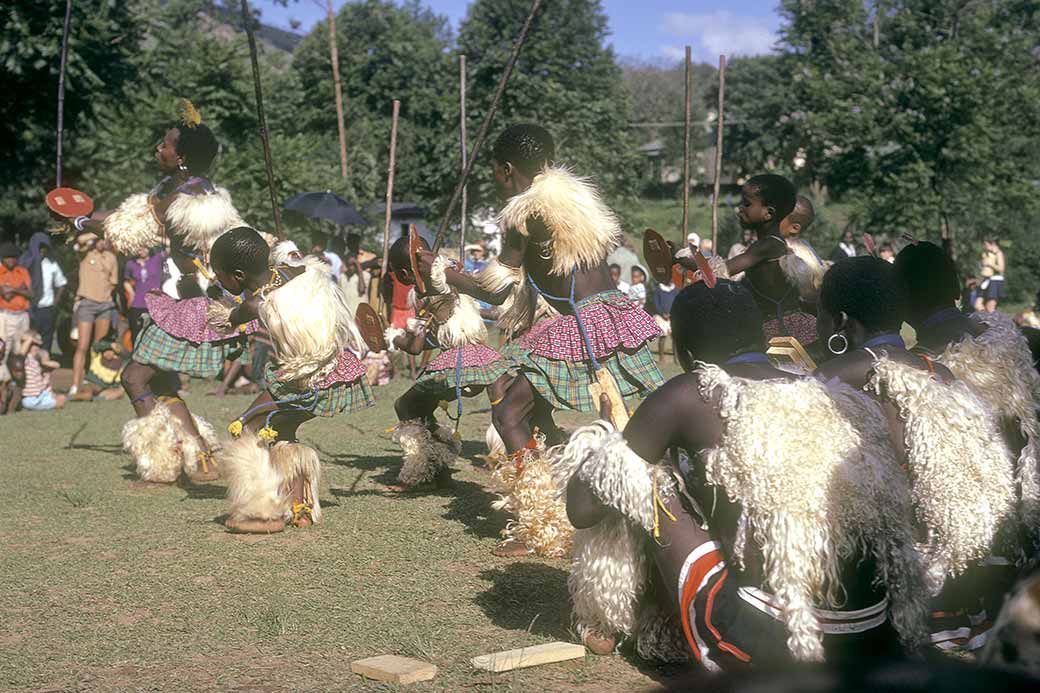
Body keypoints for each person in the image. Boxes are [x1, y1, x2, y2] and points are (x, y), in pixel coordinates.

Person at [555, 279, 926, 667]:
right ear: (762, 339)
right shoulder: (826, 391)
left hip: (770, 644)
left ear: (684, 351)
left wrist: (605, 443)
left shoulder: (690, 393)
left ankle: (648, 628)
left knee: (644, 479)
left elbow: (582, 509)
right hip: (874, 639)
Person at [419, 123, 664, 557]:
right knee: (557, 415)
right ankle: (580, 488)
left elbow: (495, 289)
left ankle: (542, 525)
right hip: (611, 312)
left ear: (506, 169)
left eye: (495, 172)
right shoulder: (576, 201)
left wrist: (444, 273)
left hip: (580, 324)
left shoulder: (525, 212)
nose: (495, 181)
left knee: (509, 416)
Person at [815, 256, 1018, 652]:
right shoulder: (939, 372)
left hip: (886, 584)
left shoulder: (841, 375)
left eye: (818, 315)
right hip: (953, 584)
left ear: (839, 321)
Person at [896, 242, 1040, 608]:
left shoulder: (912, 371)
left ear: (900, 300)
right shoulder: (1008, 339)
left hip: (958, 536)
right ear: (959, 290)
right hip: (1020, 522)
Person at [207, 228, 374, 533]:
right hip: (332, 373)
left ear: (239, 274)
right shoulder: (301, 273)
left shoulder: (257, 306)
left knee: (246, 430)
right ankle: (302, 509)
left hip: (300, 381)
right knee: (283, 433)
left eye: (221, 275)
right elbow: (292, 263)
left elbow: (226, 320)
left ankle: (262, 513)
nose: (219, 281)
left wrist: (216, 306)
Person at [383, 236, 511, 491]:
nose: (405, 279)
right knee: (414, 406)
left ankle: (419, 470)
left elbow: (491, 295)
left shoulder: (440, 275)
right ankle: (440, 471)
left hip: (461, 363)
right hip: (485, 361)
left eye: (401, 274)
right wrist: (393, 338)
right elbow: (418, 345)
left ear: (406, 271)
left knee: (406, 406)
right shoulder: (425, 290)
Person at [716, 174, 825, 346]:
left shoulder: (770, 246)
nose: (740, 209)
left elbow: (720, 270)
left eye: (747, 204)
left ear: (770, 214)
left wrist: (686, 259)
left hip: (781, 331)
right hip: (784, 328)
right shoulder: (769, 246)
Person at [69, 234, 118, 401]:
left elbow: (113, 282)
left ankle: (94, 382)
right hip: (87, 304)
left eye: (104, 240)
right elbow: (80, 240)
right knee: (82, 346)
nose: (101, 243)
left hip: (104, 305)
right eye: (99, 240)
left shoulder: (111, 257)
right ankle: (75, 385)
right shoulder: (85, 253)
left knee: (98, 347)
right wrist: (97, 229)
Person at [20, 233, 67, 354]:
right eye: (39, 247)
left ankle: (44, 368)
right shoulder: (24, 262)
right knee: (27, 339)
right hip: (28, 308)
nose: (42, 250)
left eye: (45, 247)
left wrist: (55, 303)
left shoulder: (51, 264)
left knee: (46, 340)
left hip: (46, 308)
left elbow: (61, 283)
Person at [0, 242, 31, 385]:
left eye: (13, 257)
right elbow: (4, 295)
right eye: (7, 258)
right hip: (5, 315)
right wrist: (20, 289)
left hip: (22, 315)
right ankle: (3, 381)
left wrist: (12, 289)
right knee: (3, 348)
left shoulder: (22, 271)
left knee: (21, 350)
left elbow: (31, 293)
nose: (11, 260)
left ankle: (18, 382)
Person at [123, 246, 165, 344]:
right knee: (136, 335)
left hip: (155, 304)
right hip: (137, 304)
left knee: (154, 336)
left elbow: (168, 246)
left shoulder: (156, 259)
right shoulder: (130, 264)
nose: (142, 249)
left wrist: (151, 238)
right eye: (139, 247)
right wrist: (131, 293)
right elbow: (126, 281)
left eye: (145, 247)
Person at [18, 331, 65, 412]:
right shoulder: (26, 360)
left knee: (62, 398)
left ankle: (50, 402)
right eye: (34, 344)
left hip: (41, 394)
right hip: (30, 398)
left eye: (38, 345)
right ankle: (51, 404)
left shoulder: (38, 359)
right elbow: (22, 351)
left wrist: (45, 363)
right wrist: (30, 339)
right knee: (59, 402)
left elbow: (57, 365)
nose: (37, 347)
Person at [979, 238, 1006, 312]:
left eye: (986, 245)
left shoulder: (998, 253)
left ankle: (994, 322)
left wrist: (990, 264)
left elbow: (1001, 268)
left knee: (990, 307)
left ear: (992, 244)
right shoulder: (986, 253)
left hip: (995, 280)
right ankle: (983, 320)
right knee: (978, 305)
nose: (984, 246)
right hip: (986, 280)